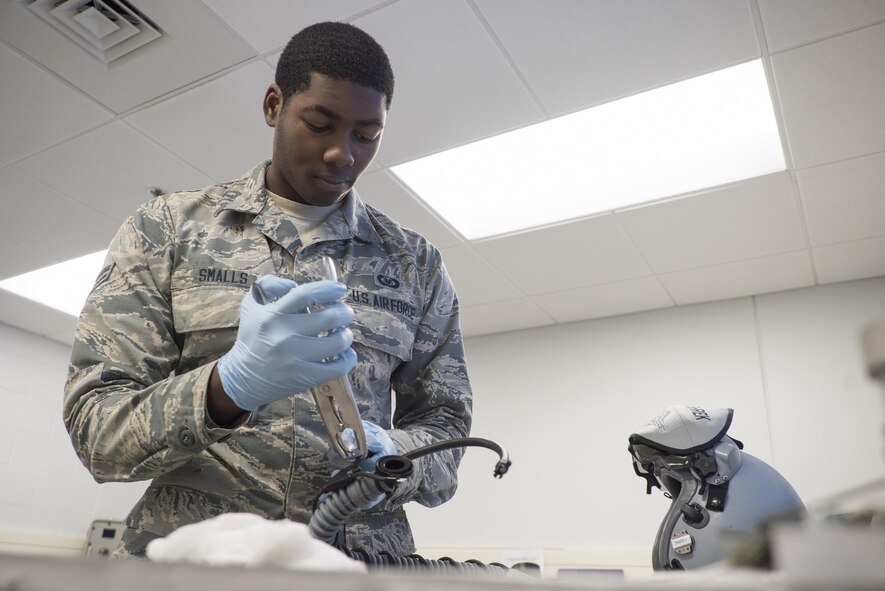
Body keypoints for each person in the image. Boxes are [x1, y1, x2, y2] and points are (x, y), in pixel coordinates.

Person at [63, 21, 472, 558]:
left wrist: (395, 456)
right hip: (194, 562)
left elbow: (446, 425)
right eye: (320, 125)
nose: (342, 154)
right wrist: (226, 388)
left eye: (367, 136)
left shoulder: (414, 263)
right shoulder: (166, 230)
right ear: (274, 105)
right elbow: (97, 431)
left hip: (353, 564)